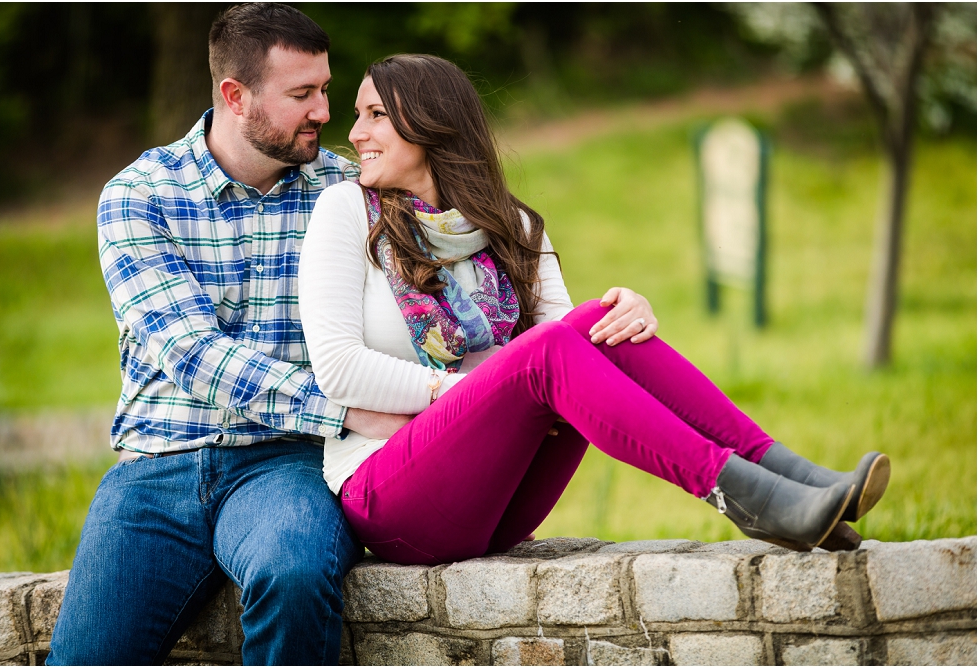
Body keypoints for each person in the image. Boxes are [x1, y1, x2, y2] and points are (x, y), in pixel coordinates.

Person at [297, 54, 891, 566]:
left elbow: (572, 343)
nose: (355, 132)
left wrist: (626, 309)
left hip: (500, 501)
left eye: (375, 114)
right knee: (552, 349)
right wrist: (469, 391)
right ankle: (743, 494)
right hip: (391, 498)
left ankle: (791, 475)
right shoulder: (345, 211)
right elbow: (339, 370)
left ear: (431, 125)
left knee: (596, 324)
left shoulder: (514, 224)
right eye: (358, 113)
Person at [48, 5, 406, 664]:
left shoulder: (348, 193)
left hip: (288, 462)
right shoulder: (138, 195)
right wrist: (349, 409)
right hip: (157, 468)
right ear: (234, 96)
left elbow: (457, 276)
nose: (325, 112)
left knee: (294, 575)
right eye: (302, 94)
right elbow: (189, 353)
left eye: (325, 89)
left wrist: (583, 320)